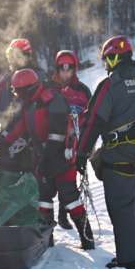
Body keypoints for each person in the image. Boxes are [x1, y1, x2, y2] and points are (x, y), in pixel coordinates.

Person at [73, 36, 135, 269]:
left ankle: (130, 259)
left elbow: (94, 121)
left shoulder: (111, 85)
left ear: (114, 58)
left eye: (106, 61)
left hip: (121, 154)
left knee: (121, 204)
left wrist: (82, 153)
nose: (105, 66)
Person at [0, 68, 74, 230]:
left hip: (60, 157)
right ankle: (45, 234)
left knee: (70, 198)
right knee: (43, 197)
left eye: (19, 94)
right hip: (43, 156)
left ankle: (87, 240)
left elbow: (57, 133)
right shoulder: (28, 105)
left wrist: (46, 158)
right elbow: (13, 132)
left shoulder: (53, 100)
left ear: (29, 90)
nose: (18, 98)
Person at [0, 38, 49, 174]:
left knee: (32, 187)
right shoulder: (4, 82)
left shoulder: (40, 79)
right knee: (7, 184)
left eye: (18, 55)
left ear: (28, 56)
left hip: (33, 143)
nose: (13, 59)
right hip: (7, 142)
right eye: (10, 55)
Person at [52, 50, 94, 249]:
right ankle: (54, 225)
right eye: (62, 67)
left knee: (70, 187)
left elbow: (93, 119)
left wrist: (88, 146)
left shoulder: (83, 91)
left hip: (76, 145)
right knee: (48, 189)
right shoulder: (51, 89)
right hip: (52, 146)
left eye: (69, 67)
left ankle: (82, 232)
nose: (65, 71)